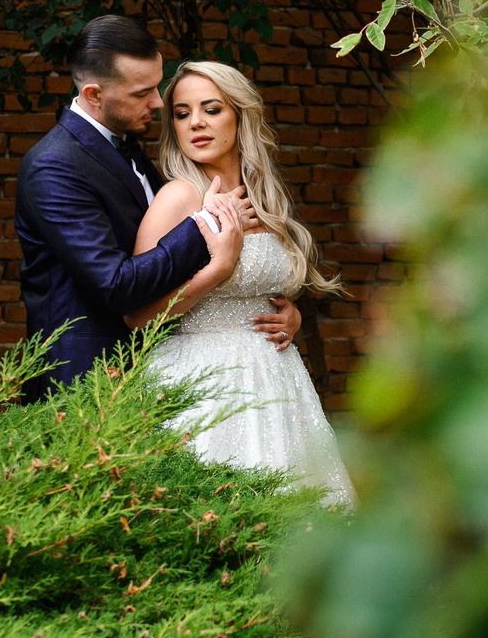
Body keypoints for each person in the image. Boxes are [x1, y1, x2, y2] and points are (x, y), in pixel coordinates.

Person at [13, 15, 300, 399]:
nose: (156, 102)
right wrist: (205, 227)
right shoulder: (54, 166)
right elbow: (117, 286)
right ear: (95, 95)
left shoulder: (129, 152)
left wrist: (289, 314)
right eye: (141, 93)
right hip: (84, 381)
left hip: (163, 372)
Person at [127, 59, 354, 506]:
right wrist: (218, 270)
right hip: (203, 381)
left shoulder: (263, 195)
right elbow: (137, 314)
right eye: (182, 112)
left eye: (211, 109)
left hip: (278, 382)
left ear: (239, 114)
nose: (196, 123)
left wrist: (292, 312)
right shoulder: (178, 197)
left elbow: (268, 285)